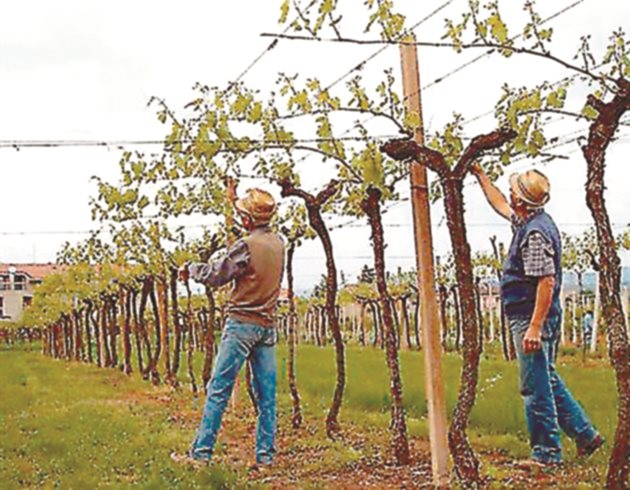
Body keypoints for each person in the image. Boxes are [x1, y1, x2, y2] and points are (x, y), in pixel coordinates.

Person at [472, 164, 604, 465]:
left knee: (534, 386)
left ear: (522, 200)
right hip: (535, 314)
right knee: (548, 377)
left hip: (533, 316)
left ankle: (546, 455)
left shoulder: (534, 234)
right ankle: (586, 435)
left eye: (514, 191)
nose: (510, 194)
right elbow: (499, 205)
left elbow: (546, 282)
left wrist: (534, 327)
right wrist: (481, 176)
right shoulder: (530, 219)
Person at [171, 188, 285, 467]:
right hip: (267, 326)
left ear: (246, 219)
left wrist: (192, 267)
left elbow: (216, 275)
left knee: (218, 388)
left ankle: (201, 454)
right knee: (267, 395)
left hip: (241, 326)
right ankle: (266, 457)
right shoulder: (280, 243)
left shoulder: (245, 246)